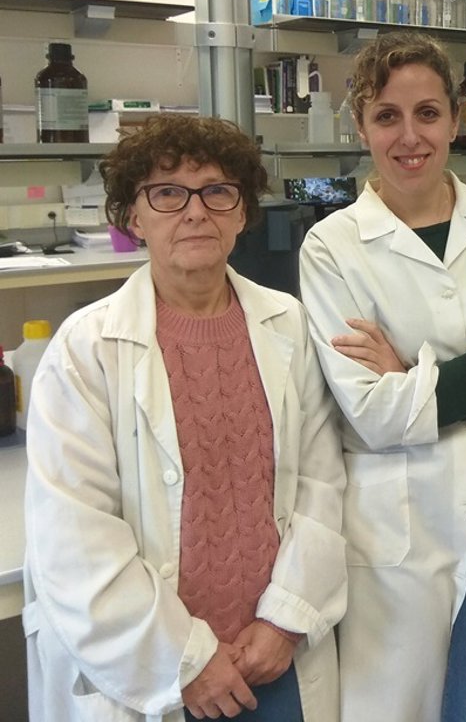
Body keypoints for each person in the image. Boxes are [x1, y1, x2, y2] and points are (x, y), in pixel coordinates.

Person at [23, 114, 347, 721]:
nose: (196, 211)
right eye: (168, 193)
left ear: (242, 212)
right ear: (132, 217)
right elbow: (75, 538)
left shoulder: (288, 323)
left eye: (217, 191)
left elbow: (322, 483)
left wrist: (287, 619)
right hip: (153, 673)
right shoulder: (86, 348)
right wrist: (187, 661)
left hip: (273, 658)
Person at [297, 31, 466, 722]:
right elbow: (375, 416)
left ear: (455, 119)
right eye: (386, 116)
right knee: (409, 702)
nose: (409, 136)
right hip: (402, 532)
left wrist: (416, 381)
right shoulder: (331, 247)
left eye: (427, 113)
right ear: (361, 126)